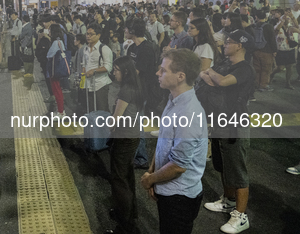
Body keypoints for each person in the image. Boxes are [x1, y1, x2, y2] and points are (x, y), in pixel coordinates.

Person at [141, 49, 207, 234]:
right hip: (168, 187)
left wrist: (150, 179)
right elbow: (164, 142)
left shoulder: (189, 113)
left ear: (180, 76)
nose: (157, 73)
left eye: (163, 70)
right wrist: (153, 174)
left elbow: (178, 165)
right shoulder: (174, 100)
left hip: (180, 197)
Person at [199, 30, 255, 234]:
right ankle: (229, 201)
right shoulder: (225, 65)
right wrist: (214, 75)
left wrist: (214, 76)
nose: (224, 45)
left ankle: (241, 216)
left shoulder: (244, 69)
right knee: (222, 165)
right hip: (219, 121)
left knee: (237, 170)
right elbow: (204, 73)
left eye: (229, 42)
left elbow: (219, 80)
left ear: (240, 45)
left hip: (235, 124)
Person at [106, 56, 144, 234]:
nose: (114, 73)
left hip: (124, 137)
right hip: (133, 135)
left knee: (119, 179)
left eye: (116, 70)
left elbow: (115, 120)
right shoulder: (134, 86)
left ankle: (124, 223)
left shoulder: (125, 91)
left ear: (125, 71)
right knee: (127, 176)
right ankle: (130, 214)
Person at [82, 23, 113, 114]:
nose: (88, 36)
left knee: (101, 109)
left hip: (100, 84)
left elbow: (108, 67)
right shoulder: (85, 49)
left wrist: (94, 71)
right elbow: (84, 64)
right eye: (87, 34)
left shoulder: (104, 49)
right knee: (90, 109)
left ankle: (105, 127)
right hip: (88, 84)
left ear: (98, 35)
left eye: (91, 34)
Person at [271, 9, 299, 89]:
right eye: (286, 18)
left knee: (290, 66)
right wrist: (282, 19)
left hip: (290, 49)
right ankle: (271, 74)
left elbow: (297, 26)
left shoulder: (290, 28)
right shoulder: (278, 26)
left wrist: (292, 17)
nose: (288, 19)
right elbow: (276, 29)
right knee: (280, 68)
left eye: (288, 19)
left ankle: (288, 83)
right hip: (280, 50)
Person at [46, 24, 70, 117]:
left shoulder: (56, 42)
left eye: (50, 30)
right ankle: (60, 110)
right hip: (58, 68)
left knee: (57, 89)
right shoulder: (60, 41)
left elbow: (49, 55)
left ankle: (61, 112)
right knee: (57, 89)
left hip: (55, 69)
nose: (49, 32)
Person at [252, 10, 277, 92]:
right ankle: (263, 85)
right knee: (266, 69)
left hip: (256, 50)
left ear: (256, 17)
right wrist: (274, 50)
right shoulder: (269, 26)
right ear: (265, 17)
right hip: (267, 51)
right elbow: (272, 39)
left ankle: (256, 84)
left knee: (257, 69)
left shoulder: (253, 26)